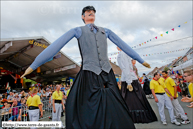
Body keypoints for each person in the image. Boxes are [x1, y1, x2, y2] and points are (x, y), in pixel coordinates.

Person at [20, 5, 152, 129]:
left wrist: (140, 60)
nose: (91, 14)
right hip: (89, 72)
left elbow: (123, 44)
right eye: (88, 12)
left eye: (93, 12)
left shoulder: (106, 31)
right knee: (82, 104)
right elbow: (56, 46)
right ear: (83, 16)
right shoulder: (77, 30)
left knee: (115, 103)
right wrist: (34, 65)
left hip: (107, 72)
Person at [117, 47, 157, 123]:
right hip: (129, 79)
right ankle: (138, 116)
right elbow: (126, 68)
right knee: (137, 99)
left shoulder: (123, 54)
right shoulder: (124, 53)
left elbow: (126, 68)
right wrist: (129, 81)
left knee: (129, 100)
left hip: (128, 79)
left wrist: (129, 81)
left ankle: (131, 116)